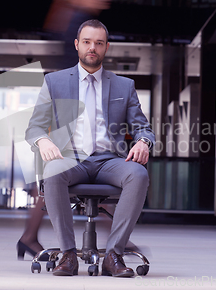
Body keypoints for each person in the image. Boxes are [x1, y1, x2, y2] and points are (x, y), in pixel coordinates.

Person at [25, 19, 155, 277]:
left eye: (98, 43)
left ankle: (114, 255)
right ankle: (69, 255)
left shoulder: (124, 86)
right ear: (77, 45)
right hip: (70, 158)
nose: (92, 48)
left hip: (110, 160)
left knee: (138, 174)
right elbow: (34, 127)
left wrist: (143, 141)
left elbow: (142, 127)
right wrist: (43, 140)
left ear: (106, 47)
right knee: (52, 171)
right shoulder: (55, 82)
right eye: (86, 42)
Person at [17, 0, 112, 260]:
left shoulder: (70, 17)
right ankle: (119, 240)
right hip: (70, 115)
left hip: (67, 112)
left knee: (60, 180)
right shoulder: (76, 22)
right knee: (87, 175)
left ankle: (29, 237)